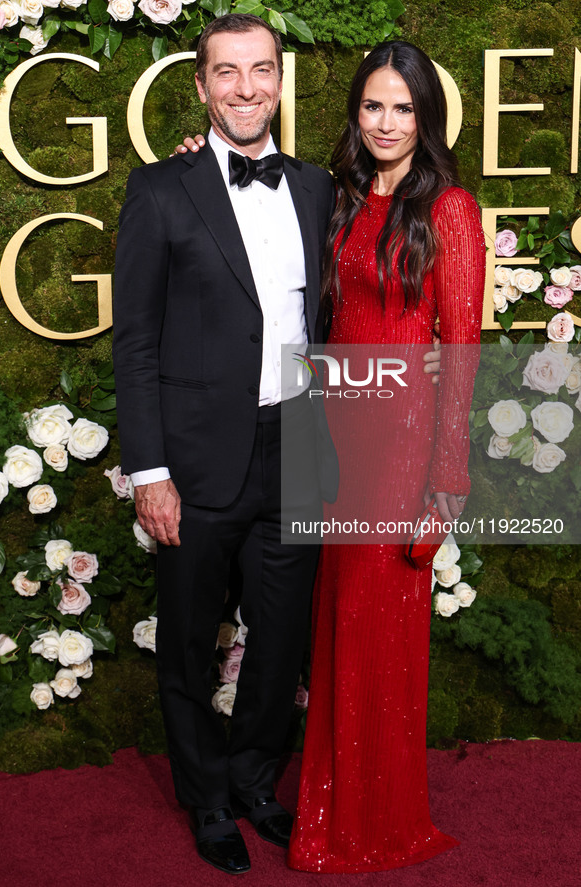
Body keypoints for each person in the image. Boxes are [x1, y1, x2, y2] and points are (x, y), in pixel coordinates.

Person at [113, 14, 336, 875]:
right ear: (201, 85)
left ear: (281, 81)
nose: (246, 88)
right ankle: (205, 800)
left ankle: (252, 783)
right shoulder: (159, 191)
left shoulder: (316, 188)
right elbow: (133, 342)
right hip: (195, 460)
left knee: (279, 642)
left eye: (261, 70)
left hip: (296, 448)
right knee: (186, 642)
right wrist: (150, 470)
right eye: (227, 72)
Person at [285, 41, 486, 872]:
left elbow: (463, 349)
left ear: (426, 117)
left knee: (378, 628)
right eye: (373, 105)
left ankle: (378, 818)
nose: (386, 122)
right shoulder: (335, 198)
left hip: (403, 446)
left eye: (403, 108)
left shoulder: (449, 210)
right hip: (337, 436)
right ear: (355, 112)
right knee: (338, 624)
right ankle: (332, 803)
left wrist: (447, 479)